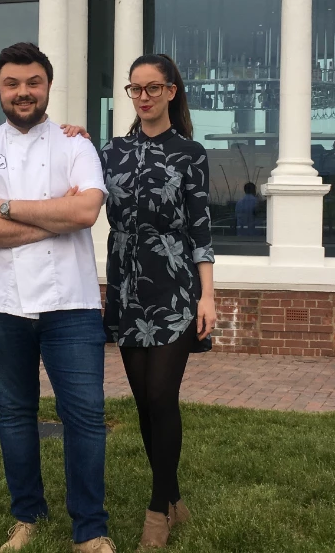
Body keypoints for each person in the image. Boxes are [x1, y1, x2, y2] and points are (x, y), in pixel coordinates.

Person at [0, 42, 115, 553]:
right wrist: (50, 218)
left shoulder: (76, 146)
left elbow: (85, 214)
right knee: (15, 414)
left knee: (85, 415)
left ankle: (90, 528)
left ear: (47, 86)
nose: (23, 92)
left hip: (71, 302)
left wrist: (2, 207)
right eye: (12, 83)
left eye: (33, 82)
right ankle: (27, 515)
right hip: (0, 301)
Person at [102, 53, 216, 549]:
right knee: (143, 402)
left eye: (152, 88)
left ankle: (156, 509)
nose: (143, 97)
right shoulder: (110, 152)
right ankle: (172, 495)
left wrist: (207, 294)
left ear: (172, 91)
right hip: (126, 285)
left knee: (161, 396)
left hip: (174, 286)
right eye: (135, 89)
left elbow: (200, 229)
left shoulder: (190, 153)